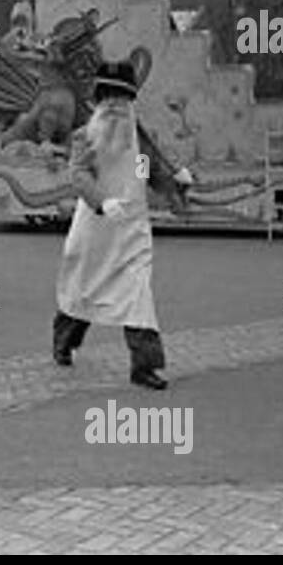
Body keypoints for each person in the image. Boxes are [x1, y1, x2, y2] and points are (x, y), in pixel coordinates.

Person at [52, 60, 193, 390]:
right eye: (109, 97)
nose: (115, 105)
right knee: (82, 292)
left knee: (138, 296)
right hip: (94, 233)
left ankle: (144, 367)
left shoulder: (138, 140)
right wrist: (102, 202)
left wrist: (174, 184)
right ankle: (64, 341)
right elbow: (79, 175)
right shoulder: (85, 137)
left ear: (131, 101)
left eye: (122, 97)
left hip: (132, 232)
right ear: (99, 100)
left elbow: (151, 170)